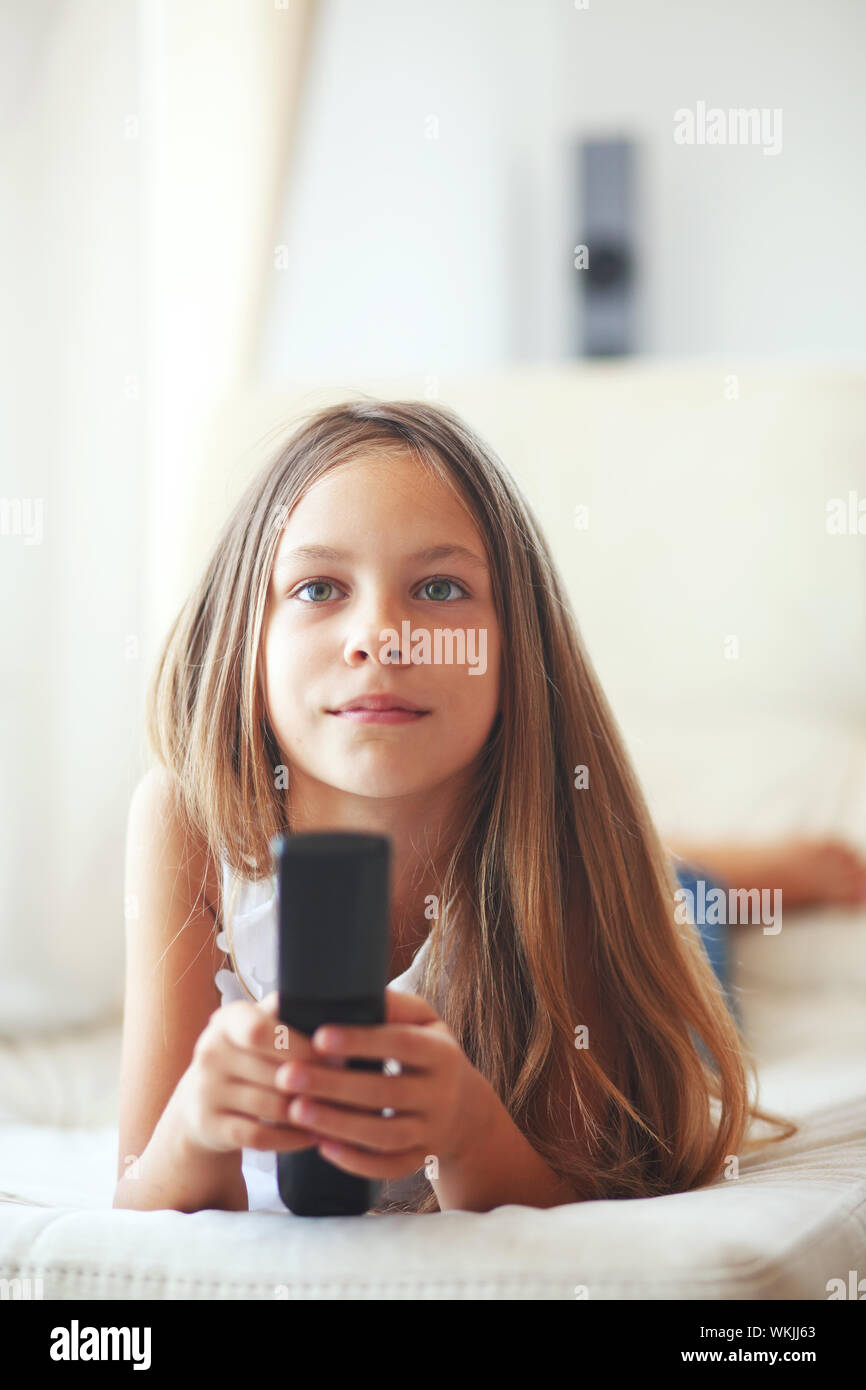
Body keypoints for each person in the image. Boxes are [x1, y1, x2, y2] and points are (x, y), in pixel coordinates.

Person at [114, 398, 797, 1218]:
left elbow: (584, 1202)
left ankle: (699, 876)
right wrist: (195, 1128)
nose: (383, 637)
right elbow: (141, 1203)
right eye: (319, 586)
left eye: (440, 588)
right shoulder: (183, 820)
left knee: (693, 931)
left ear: (519, 645)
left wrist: (469, 1132)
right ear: (244, 637)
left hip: (627, 909)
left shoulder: (562, 829)